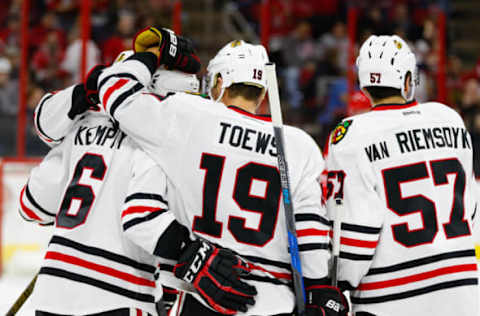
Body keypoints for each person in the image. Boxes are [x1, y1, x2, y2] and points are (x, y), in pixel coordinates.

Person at [35, 27, 348, 316]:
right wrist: (319, 290)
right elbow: (309, 230)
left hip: (194, 297)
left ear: (219, 83)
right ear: (263, 93)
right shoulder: (297, 144)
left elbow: (115, 90)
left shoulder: (188, 117)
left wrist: (153, 54)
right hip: (272, 302)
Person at [22, 47, 255, 316]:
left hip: (53, 295)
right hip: (122, 295)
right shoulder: (163, 140)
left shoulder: (80, 127)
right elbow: (150, 225)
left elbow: (32, 207)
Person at [324, 35, 479, 316]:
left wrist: (333, 286)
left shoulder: (350, 136)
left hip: (389, 300)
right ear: (408, 81)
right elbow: (470, 211)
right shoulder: (450, 120)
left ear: (364, 83)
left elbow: (353, 241)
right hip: (462, 294)